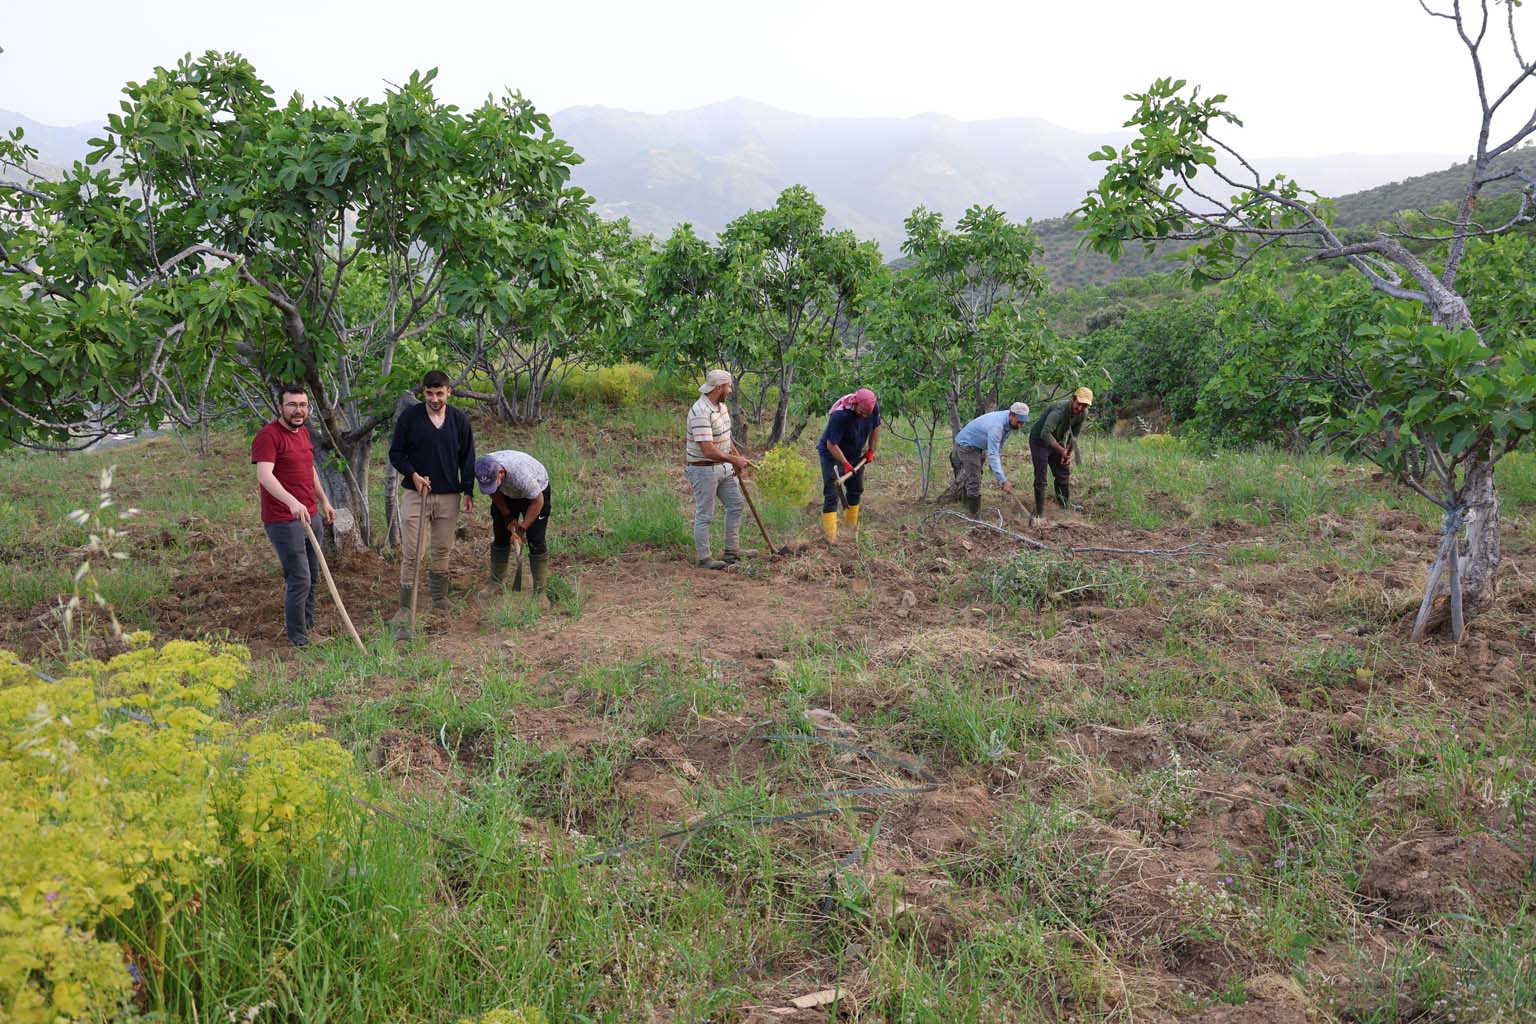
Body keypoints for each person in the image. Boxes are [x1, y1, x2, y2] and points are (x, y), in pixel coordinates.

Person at [388, 370, 475, 637]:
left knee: (442, 548)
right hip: (416, 494)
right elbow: (395, 453)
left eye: (439, 394)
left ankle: (440, 599)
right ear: (424, 392)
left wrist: (468, 490)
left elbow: (468, 457)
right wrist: (413, 474)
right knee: (413, 551)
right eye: (429, 393)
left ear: (449, 392)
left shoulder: (459, 420)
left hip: (449, 494)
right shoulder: (410, 418)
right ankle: (406, 608)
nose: (434, 399)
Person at [252, 383, 336, 648]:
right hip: (283, 520)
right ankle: (298, 640)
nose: (298, 410)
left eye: (302, 405)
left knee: (313, 574)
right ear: (281, 407)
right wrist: (291, 502)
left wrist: (324, 500)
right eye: (292, 405)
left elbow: (309, 469)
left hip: (311, 515)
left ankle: (308, 628)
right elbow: (264, 475)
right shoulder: (268, 436)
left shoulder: (303, 433)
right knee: (299, 578)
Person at [685, 369, 750, 569]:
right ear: (719, 388)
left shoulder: (721, 407)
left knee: (736, 504)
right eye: (728, 386)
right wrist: (734, 459)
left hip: (723, 467)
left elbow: (726, 437)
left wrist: (735, 458)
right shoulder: (700, 411)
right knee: (705, 514)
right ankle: (704, 558)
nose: (730, 390)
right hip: (703, 469)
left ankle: (732, 551)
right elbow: (708, 450)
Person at [473, 450, 552, 598]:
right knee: (501, 535)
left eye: (493, 483)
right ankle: (496, 583)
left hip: (536, 494)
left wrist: (521, 530)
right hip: (507, 493)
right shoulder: (483, 468)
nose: (490, 486)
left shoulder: (522, 476)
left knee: (536, 540)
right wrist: (507, 516)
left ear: (501, 473)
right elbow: (493, 491)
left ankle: (540, 592)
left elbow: (538, 501)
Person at [815, 387, 880, 544]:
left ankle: (850, 531)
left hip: (854, 453)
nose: (865, 415)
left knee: (856, 489)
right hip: (832, 454)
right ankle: (830, 538)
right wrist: (845, 464)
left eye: (868, 413)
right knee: (832, 493)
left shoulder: (873, 408)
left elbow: (876, 427)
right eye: (862, 412)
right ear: (855, 403)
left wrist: (871, 450)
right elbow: (831, 444)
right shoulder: (840, 415)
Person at [950, 402, 1030, 516]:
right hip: (966, 445)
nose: (1020, 425)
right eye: (1019, 422)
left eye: (1023, 423)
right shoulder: (997, 426)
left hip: (978, 446)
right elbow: (993, 454)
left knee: (973, 474)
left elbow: (998, 447)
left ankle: (967, 505)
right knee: (975, 478)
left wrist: (996, 470)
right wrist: (1003, 480)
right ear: (1011, 414)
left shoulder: (1008, 423)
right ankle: (974, 517)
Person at [1029, 386, 1093, 523]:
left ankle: (1064, 505)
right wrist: (1062, 451)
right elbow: (1045, 433)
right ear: (1073, 400)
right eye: (1079, 404)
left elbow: (1074, 436)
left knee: (1063, 473)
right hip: (1040, 441)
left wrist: (1067, 454)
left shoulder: (1083, 414)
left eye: (1084, 406)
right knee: (1041, 477)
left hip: (1057, 439)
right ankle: (1039, 513)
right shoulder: (1058, 411)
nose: (1080, 408)